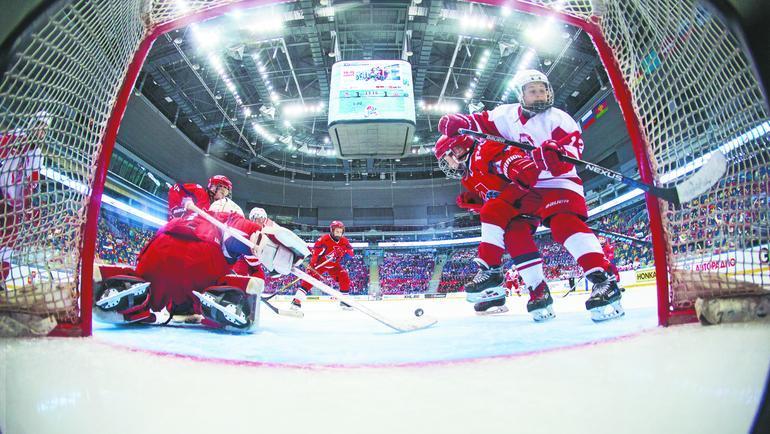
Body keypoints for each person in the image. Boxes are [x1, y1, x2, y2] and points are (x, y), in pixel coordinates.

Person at [437, 69, 624, 322]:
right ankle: (537, 290)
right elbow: (481, 122)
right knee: (514, 232)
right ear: (521, 95)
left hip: (557, 182)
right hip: (525, 188)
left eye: (542, 90)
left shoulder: (559, 119)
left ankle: (603, 279)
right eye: (532, 91)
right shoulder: (506, 115)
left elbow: (573, 151)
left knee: (563, 224)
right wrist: (461, 122)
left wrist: (555, 155)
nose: (539, 95)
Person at [92, 205, 309, 332]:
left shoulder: (184, 216)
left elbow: (148, 248)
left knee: (155, 285)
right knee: (209, 287)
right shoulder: (228, 219)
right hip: (200, 262)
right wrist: (273, 248)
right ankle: (224, 301)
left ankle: (128, 290)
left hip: (157, 252)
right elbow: (252, 236)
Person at [435, 134, 554, 321]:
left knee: (492, 213)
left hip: (525, 198)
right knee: (515, 238)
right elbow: (490, 196)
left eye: (446, 158)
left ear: (457, 149)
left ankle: (490, 269)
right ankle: (510, 293)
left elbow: (513, 166)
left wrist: (518, 167)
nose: (447, 165)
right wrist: (474, 201)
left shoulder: (484, 150)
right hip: (510, 210)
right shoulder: (468, 177)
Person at [1, 111, 48, 289]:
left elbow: (32, 183)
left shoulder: (38, 155)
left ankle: (1, 280)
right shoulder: (15, 136)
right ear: (32, 124)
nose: (41, 132)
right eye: (39, 127)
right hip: (1, 193)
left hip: (13, 206)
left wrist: (28, 205)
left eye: (44, 130)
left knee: (7, 247)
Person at [290, 220, 354, 313]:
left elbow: (351, 253)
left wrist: (343, 252)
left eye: (340, 232)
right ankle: (297, 301)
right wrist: (311, 266)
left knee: (344, 275)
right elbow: (315, 254)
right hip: (320, 265)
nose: (339, 233)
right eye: (337, 231)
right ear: (332, 230)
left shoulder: (344, 241)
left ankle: (345, 301)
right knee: (309, 280)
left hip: (334, 266)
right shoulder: (323, 240)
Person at [167, 174, 234, 220]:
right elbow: (176, 188)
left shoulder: (216, 208)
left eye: (225, 193)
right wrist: (174, 208)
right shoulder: (199, 191)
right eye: (222, 191)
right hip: (178, 226)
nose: (223, 196)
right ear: (212, 187)